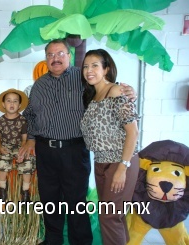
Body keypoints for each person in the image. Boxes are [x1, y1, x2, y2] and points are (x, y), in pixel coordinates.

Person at [18, 39, 136, 245]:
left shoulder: (82, 79)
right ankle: (52, 240)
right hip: (46, 151)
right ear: (46, 58)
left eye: (60, 53)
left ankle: (80, 241)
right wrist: (30, 139)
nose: (56, 58)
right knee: (49, 200)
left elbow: (106, 91)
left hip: (74, 150)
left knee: (76, 202)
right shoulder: (38, 86)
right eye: (51, 55)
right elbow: (31, 115)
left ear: (69, 55)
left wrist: (128, 90)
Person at [80, 49, 139, 244]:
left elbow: (133, 132)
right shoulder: (92, 97)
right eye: (86, 66)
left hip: (119, 162)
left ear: (106, 69)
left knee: (109, 217)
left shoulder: (115, 90)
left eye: (95, 65)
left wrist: (123, 167)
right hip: (100, 162)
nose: (89, 70)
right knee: (115, 217)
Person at [0, 88, 35, 202]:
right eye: (9, 101)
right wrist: (0, 148)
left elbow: (24, 139)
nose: (12, 103)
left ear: (20, 105)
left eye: (15, 101)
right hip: (5, 146)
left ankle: (25, 192)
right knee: (2, 162)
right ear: (3, 104)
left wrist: (22, 151)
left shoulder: (23, 120)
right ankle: (2, 189)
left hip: (20, 146)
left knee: (27, 162)